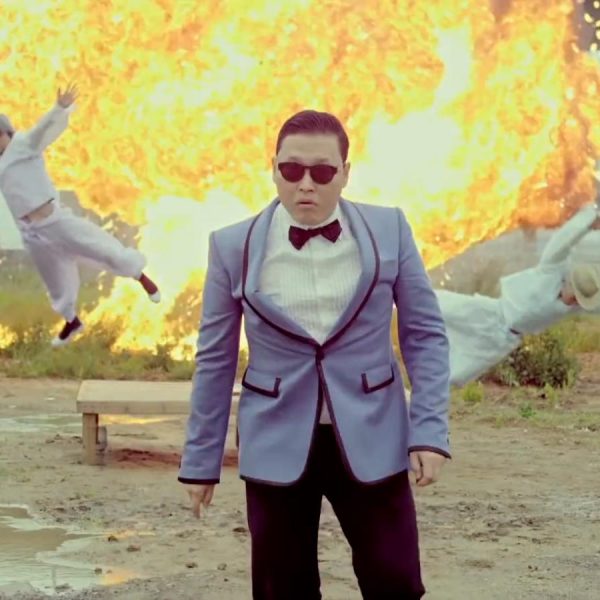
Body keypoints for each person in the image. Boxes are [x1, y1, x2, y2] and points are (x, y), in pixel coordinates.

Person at [178, 110, 450, 599]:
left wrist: (428, 431)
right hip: (275, 438)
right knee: (283, 588)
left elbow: (425, 334)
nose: (306, 184)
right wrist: (201, 460)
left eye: (322, 172)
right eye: (291, 169)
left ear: (345, 173)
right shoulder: (231, 245)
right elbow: (215, 360)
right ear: (273, 169)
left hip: (374, 432)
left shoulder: (389, 229)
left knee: (396, 582)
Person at [0, 83, 160, 347]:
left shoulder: (23, 145)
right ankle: (72, 320)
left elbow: (41, 130)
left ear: (6, 132)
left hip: (56, 222)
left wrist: (59, 108)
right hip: (32, 233)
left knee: (100, 248)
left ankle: (142, 278)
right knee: (56, 282)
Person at [436, 202, 600, 386]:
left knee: (455, 375)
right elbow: (564, 239)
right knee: (438, 306)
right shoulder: (551, 270)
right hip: (491, 313)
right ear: (570, 282)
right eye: (576, 295)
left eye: (579, 299)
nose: (574, 301)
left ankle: (417, 389)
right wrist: (591, 216)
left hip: (501, 341)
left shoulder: (574, 307)